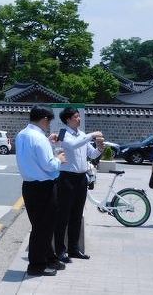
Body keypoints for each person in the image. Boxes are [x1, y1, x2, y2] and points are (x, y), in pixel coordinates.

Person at [15, 105, 67, 277]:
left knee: (41, 226)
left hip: (29, 186)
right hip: (44, 187)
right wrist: (59, 159)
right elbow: (48, 164)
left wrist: (48, 141)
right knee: (43, 228)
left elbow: (33, 156)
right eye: (49, 122)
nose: (49, 126)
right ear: (44, 119)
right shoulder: (39, 138)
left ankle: (49, 258)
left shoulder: (22, 134)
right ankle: (37, 265)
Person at [54, 107, 105, 263]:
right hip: (67, 178)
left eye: (79, 116)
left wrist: (100, 148)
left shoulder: (82, 135)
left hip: (81, 178)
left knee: (77, 214)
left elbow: (92, 154)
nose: (79, 119)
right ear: (68, 119)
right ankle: (60, 250)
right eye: (76, 117)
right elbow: (73, 145)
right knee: (63, 216)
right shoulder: (63, 133)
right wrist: (92, 135)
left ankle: (74, 249)